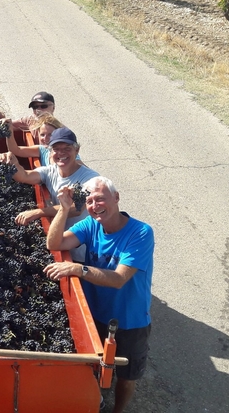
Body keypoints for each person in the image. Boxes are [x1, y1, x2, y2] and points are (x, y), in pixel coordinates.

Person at [43, 176, 154, 413]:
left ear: (116, 197)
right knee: (96, 367)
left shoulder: (141, 233)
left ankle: (118, 410)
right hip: (94, 315)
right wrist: (64, 209)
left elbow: (118, 279)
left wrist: (78, 269)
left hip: (130, 320)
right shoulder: (91, 225)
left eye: (101, 198)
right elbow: (53, 244)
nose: (95, 205)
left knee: (127, 375)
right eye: (90, 201)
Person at [0, 127, 98, 262]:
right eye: (56, 149)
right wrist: (12, 163)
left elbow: (76, 209)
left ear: (77, 150)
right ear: (50, 151)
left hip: (86, 251)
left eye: (67, 148)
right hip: (63, 243)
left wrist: (38, 212)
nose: (61, 153)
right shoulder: (50, 171)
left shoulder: (91, 179)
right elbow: (24, 176)